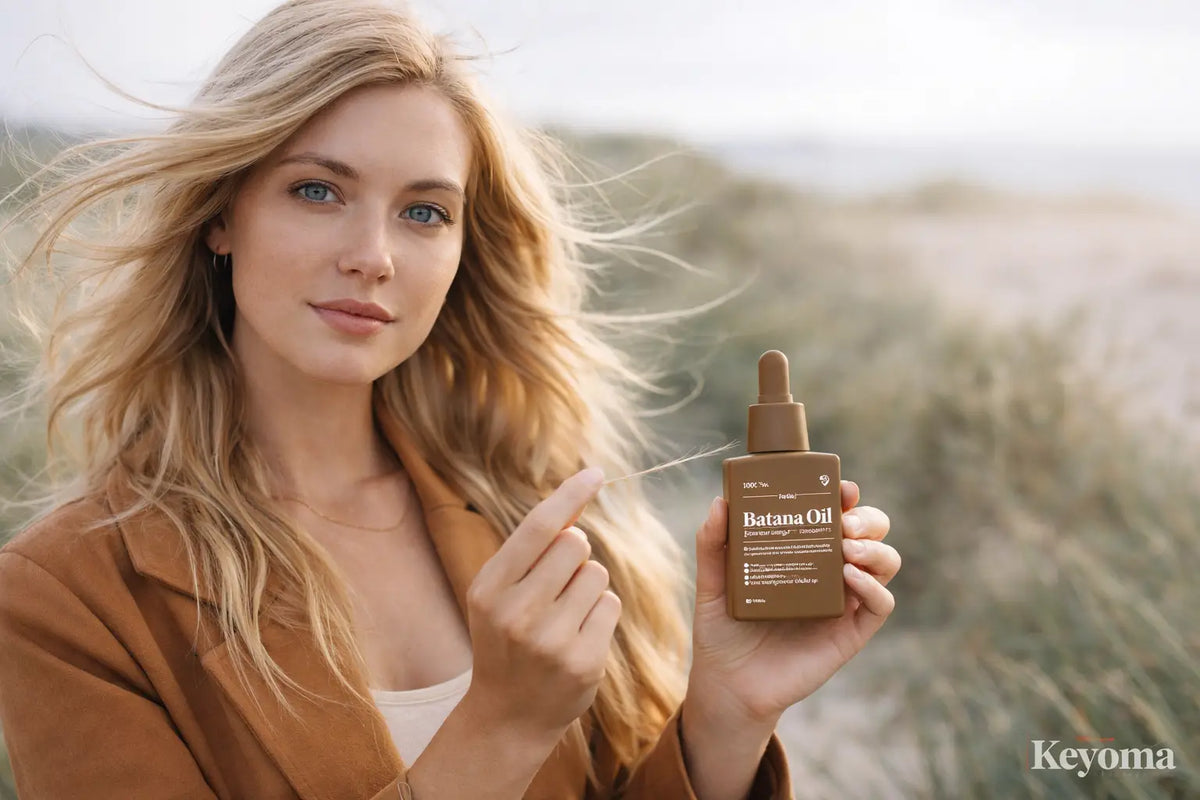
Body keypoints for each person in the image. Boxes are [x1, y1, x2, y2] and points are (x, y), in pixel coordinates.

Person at [0, 0, 902, 797]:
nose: (374, 254)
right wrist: (500, 728)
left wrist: (726, 716)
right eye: (318, 190)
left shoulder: (533, 510)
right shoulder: (67, 599)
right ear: (221, 213)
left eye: (424, 212)